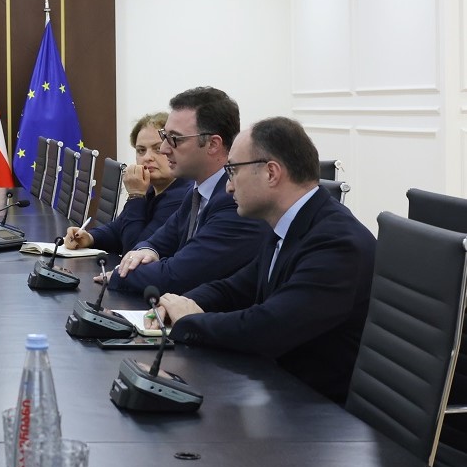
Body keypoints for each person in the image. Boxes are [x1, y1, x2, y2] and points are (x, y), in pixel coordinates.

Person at [156, 117, 376, 404]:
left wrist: (190, 321)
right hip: (280, 389)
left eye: (233, 171)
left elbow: (266, 328)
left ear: (271, 173)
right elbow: (235, 288)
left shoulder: (336, 244)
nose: (228, 187)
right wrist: (178, 304)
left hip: (315, 410)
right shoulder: (290, 224)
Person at [107, 86, 269, 294]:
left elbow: (176, 277)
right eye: (165, 136)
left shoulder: (235, 200)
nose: (164, 149)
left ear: (213, 144)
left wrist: (120, 274)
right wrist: (145, 251)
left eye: (175, 139)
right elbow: (154, 242)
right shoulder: (197, 191)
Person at [64, 111, 193, 257]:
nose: (147, 157)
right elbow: (118, 229)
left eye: (157, 149)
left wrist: (135, 196)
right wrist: (90, 237)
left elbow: (134, 252)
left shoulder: (182, 195)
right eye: (141, 150)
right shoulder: (150, 188)